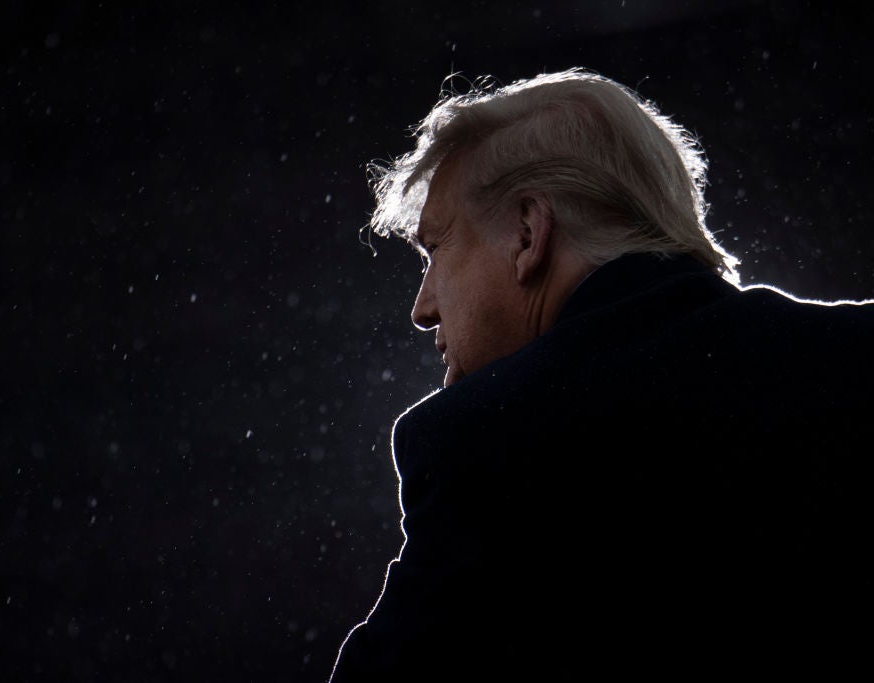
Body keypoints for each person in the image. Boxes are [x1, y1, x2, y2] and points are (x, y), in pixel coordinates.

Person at [328, 68, 874, 681]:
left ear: (528, 234)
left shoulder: (487, 448)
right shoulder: (854, 356)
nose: (422, 308)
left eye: (435, 249)